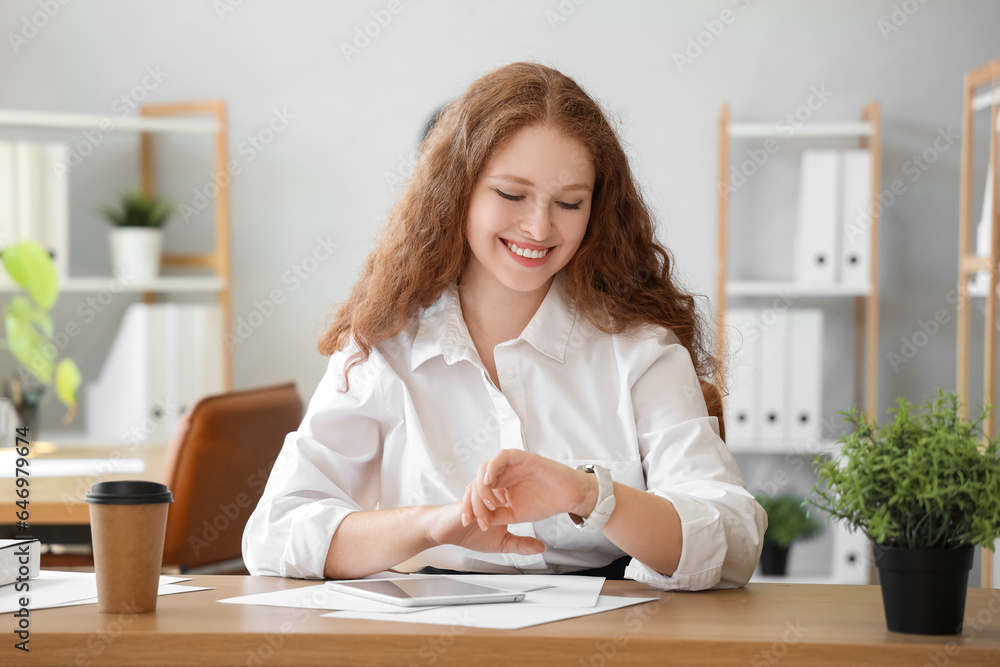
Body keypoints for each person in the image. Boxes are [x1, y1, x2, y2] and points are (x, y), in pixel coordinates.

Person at [242, 61, 766, 591]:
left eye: (569, 203)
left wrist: (589, 495)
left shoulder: (640, 350)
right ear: (456, 191)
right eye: (511, 195)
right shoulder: (383, 345)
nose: (539, 227)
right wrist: (432, 524)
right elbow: (274, 533)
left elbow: (735, 542)